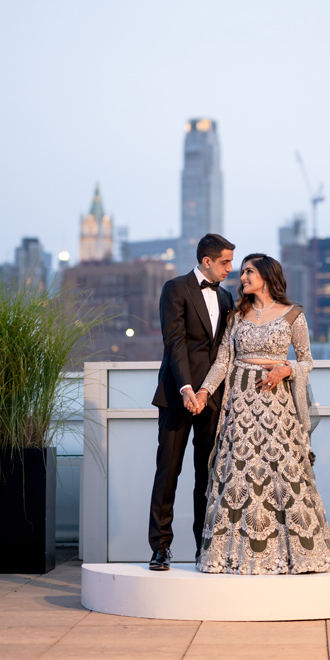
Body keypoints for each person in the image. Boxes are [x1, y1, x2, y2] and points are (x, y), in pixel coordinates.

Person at [192, 253, 330, 575]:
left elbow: (307, 361)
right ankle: (233, 557)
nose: (242, 277)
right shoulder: (236, 317)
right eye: (242, 272)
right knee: (239, 473)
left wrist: (286, 369)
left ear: (267, 276)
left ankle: (294, 556)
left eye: (248, 272)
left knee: (282, 473)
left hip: (277, 403)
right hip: (241, 403)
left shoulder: (292, 315)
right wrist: (203, 391)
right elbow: (223, 362)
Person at [148, 233, 235, 571]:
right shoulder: (175, 288)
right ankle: (160, 547)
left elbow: (225, 353)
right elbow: (175, 343)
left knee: (207, 476)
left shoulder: (227, 298)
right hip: (176, 396)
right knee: (168, 472)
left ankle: (204, 549)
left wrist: (207, 392)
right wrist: (187, 389)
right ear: (207, 261)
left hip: (212, 400)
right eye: (225, 262)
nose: (230, 268)